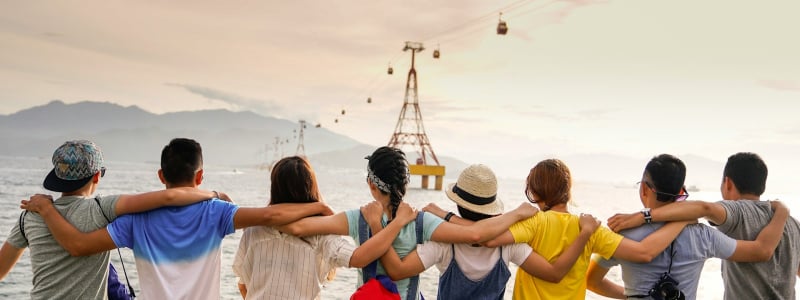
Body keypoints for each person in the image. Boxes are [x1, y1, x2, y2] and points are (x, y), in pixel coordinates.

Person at [18, 138, 332, 299]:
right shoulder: (217, 212)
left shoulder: (136, 220)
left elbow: (79, 245)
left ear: (160, 175)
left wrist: (47, 210)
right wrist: (319, 208)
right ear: (201, 176)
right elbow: (274, 214)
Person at [278, 147, 537, 300]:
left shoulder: (357, 219)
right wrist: (516, 214)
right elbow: (476, 234)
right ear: (406, 183)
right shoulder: (423, 222)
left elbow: (297, 227)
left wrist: (319, 207)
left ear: (371, 184)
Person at [0, 140, 219, 299]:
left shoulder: (30, 215)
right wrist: (214, 195)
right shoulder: (102, 209)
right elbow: (170, 197)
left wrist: (46, 208)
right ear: (97, 176)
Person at [376, 164, 601, 300]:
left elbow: (397, 271)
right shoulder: (509, 245)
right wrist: (584, 235)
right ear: (491, 207)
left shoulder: (444, 244)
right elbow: (554, 274)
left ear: (458, 204)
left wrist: (379, 226)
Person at [480, 158, 691, 300]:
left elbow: (486, 237)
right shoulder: (591, 228)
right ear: (568, 189)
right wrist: (682, 219)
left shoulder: (533, 223)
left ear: (534, 191)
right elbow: (643, 253)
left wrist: (515, 214)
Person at [606, 152, 800, 299]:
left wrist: (643, 216)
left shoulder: (735, 212)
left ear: (728, 183)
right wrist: (782, 210)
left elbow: (704, 207)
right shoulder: (794, 225)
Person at [232, 156, 417, 299]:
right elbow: (359, 258)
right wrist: (397, 222)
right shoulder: (320, 235)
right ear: (310, 188)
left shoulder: (253, 231)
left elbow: (243, 285)